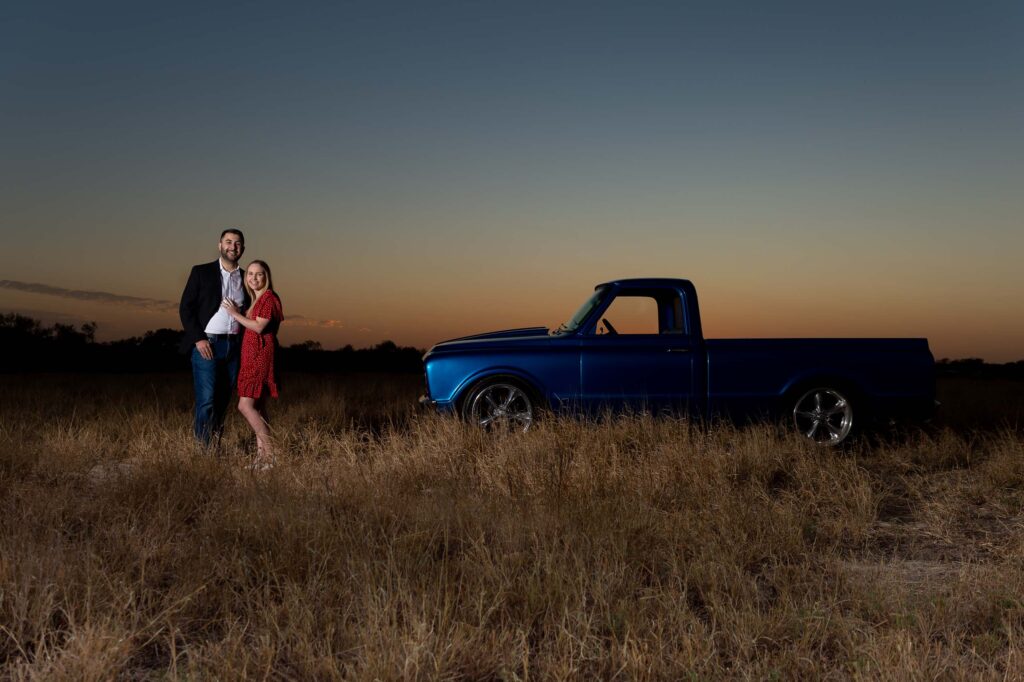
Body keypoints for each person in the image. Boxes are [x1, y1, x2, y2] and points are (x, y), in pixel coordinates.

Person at [179, 229, 249, 447]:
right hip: (207, 344)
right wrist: (198, 339)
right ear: (220, 245)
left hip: (233, 346)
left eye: (237, 243)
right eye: (228, 242)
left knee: (222, 400)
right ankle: (204, 451)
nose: (232, 246)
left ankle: (214, 444)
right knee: (207, 399)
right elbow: (186, 308)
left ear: (243, 249)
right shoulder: (201, 272)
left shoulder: (247, 277)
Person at [221, 260, 283, 469]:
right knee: (258, 406)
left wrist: (234, 314)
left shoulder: (269, 298)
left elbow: (258, 327)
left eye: (259, 274)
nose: (254, 278)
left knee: (245, 406)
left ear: (267, 277)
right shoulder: (255, 300)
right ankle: (262, 458)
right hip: (250, 357)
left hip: (261, 356)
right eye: (251, 274)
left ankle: (272, 454)